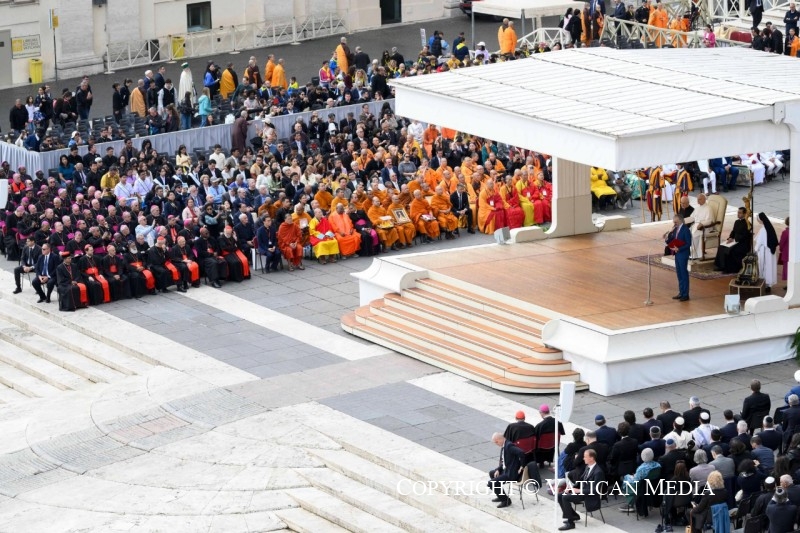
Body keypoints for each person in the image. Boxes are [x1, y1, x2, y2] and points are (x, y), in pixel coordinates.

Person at [558, 449, 606, 530]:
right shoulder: (588, 467)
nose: (583, 458)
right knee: (560, 495)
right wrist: (571, 488)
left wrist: (579, 491)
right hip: (583, 491)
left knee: (565, 497)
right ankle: (573, 516)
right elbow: (581, 480)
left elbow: (595, 490)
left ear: (591, 458)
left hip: (589, 495)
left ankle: (571, 523)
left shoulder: (598, 472)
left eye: (585, 457)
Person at [487, 433, 525, 509]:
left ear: (500, 439)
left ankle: (506, 501)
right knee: (492, 473)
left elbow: (521, 452)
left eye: (496, 442)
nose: (496, 444)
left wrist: (522, 466)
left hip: (511, 473)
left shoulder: (509, 446)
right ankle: (500, 495)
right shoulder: (504, 446)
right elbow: (504, 461)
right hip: (506, 470)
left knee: (491, 483)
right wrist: (498, 469)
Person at [715, 207, 752, 273]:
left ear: (744, 214)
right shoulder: (737, 221)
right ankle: (721, 266)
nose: (738, 214)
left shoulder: (748, 224)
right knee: (721, 247)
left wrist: (734, 239)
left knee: (730, 250)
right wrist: (730, 237)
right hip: (734, 241)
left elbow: (745, 236)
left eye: (740, 213)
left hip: (742, 244)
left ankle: (729, 269)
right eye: (738, 212)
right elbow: (733, 231)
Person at [665, 213, 692, 301]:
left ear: (680, 221)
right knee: (679, 274)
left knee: (684, 273)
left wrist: (679, 248)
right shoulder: (676, 229)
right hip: (677, 254)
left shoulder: (686, 230)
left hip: (683, 254)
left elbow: (688, 244)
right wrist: (666, 238)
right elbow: (672, 239)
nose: (674, 224)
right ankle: (681, 292)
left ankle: (685, 294)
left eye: (675, 222)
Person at [755, 212, 779, 289]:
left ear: (761, 220)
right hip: (770, 252)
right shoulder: (769, 227)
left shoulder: (763, 229)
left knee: (765, 267)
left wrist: (755, 250)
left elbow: (759, 243)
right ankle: (769, 284)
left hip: (764, 251)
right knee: (770, 267)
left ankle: (764, 282)